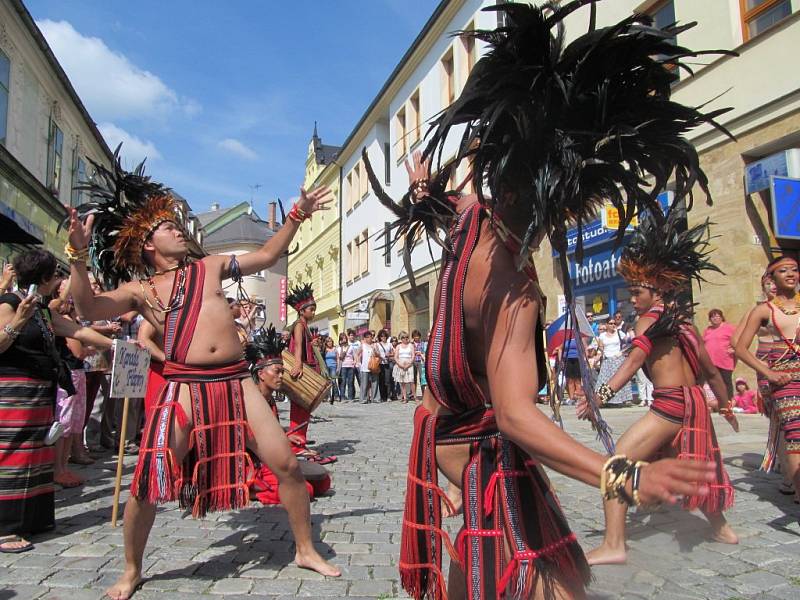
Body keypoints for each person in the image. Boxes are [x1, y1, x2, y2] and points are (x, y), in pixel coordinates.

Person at [360, 1, 729, 591]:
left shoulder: (470, 222)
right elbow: (515, 415)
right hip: (480, 449)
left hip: (449, 437)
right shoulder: (512, 278)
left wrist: (424, 188)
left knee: (511, 570)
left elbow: (442, 201)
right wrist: (623, 477)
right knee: (549, 582)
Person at [65, 150, 338, 598]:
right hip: (184, 386)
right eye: (167, 228)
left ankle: (305, 549)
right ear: (150, 246)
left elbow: (269, 254)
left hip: (236, 381)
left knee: (287, 463)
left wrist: (297, 215)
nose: (177, 228)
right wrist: (77, 256)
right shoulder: (141, 290)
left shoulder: (209, 266)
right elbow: (88, 308)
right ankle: (131, 569)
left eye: (177, 223)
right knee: (149, 480)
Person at [585, 208, 739, 566]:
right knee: (690, 464)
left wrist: (600, 397)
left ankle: (614, 544)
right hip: (696, 404)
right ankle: (720, 528)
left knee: (617, 463)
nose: (632, 298)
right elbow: (710, 372)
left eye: (636, 291)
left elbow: (634, 362)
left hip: (670, 406)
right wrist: (727, 405)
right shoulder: (685, 323)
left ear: (656, 292)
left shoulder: (647, 322)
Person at [0, 249, 113, 553]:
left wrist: (118, 345)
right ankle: (5, 528)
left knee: (36, 455)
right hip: (14, 390)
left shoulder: (43, 310)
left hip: (39, 389)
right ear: (48, 278)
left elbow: (78, 331)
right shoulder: (10, 303)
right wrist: (18, 321)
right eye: (56, 275)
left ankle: (32, 519)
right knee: (14, 456)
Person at [735, 255, 800, 504]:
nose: (791, 274)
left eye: (795, 269)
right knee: (794, 435)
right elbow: (739, 347)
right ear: (772, 278)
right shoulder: (764, 310)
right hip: (784, 380)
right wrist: (768, 372)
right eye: (784, 271)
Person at [285, 283, 319, 449]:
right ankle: (296, 443)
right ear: (301, 310)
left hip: (306, 367)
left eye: (314, 309)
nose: (313, 312)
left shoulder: (304, 325)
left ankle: (300, 440)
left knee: (304, 409)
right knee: (300, 409)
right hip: (302, 370)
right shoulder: (299, 324)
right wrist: (298, 364)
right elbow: (298, 345)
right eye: (311, 309)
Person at [596, 318, 634, 407]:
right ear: (606, 325)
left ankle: (621, 400)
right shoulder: (602, 336)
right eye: (610, 323)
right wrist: (601, 350)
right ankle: (604, 400)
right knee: (605, 381)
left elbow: (629, 343)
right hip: (607, 361)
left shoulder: (619, 333)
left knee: (620, 379)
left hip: (618, 359)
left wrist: (622, 352)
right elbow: (601, 347)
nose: (613, 325)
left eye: (614, 323)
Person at [703, 308, 737, 399]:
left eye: (717, 316)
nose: (715, 318)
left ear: (722, 317)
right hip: (710, 362)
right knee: (714, 383)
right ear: (710, 319)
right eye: (713, 317)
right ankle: (719, 403)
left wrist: (735, 349)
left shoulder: (729, 328)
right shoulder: (707, 330)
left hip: (724, 360)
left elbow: (741, 338)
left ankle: (729, 405)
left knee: (726, 382)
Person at [355, 330, 379, 404]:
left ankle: (375, 398)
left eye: (370, 337)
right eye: (367, 337)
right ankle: (363, 399)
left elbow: (378, 354)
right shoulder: (363, 345)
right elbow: (356, 353)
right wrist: (358, 362)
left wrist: (374, 349)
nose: (369, 338)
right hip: (365, 367)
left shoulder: (375, 345)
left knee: (375, 383)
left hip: (374, 366)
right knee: (364, 384)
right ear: (364, 338)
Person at [393, 331, 415, 403]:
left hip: (409, 364)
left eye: (406, 337)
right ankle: (405, 397)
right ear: (401, 338)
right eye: (403, 337)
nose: (405, 339)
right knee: (402, 382)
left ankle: (415, 397)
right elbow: (396, 357)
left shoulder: (411, 345)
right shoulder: (398, 346)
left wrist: (409, 364)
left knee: (411, 381)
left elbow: (413, 356)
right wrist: (400, 365)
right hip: (400, 364)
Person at [339, 329, 359, 401]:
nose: (344, 340)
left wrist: (354, 362)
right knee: (343, 382)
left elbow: (355, 356)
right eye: (342, 339)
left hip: (350, 366)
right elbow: (338, 359)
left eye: (345, 338)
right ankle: (343, 397)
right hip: (343, 367)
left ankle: (350, 397)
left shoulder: (351, 347)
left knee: (350, 382)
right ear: (340, 340)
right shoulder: (339, 348)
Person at [376, 329, 394, 402]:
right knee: (381, 380)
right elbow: (375, 353)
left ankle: (388, 396)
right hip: (380, 364)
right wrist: (379, 356)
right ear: (379, 337)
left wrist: (389, 355)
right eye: (381, 336)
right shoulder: (377, 344)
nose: (383, 337)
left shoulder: (389, 344)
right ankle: (382, 396)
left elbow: (394, 353)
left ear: (386, 337)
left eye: (384, 336)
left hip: (387, 363)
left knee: (387, 380)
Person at [323, 337, 341, 403]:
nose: (329, 343)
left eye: (330, 341)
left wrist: (338, 367)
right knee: (327, 382)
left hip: (333, 366)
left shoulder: (335, 349)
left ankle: (336, 396)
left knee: (333, 381)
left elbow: (337, 358)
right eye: (328, 342)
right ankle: (327, 396)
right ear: (326, 343)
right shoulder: (325, 349)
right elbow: (323, 358)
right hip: (326, 367)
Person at [411, 329, 426, 400]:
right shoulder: (411, 344)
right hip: (413, 362)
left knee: (421, 378)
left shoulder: (423, 343)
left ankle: (423, 394)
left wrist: (420, 353)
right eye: (415, 336)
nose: (416, 337)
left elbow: (424, 352)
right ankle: (414, 395)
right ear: (413, 337)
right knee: (413, 378)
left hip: (420, 361)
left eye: (417, 336)